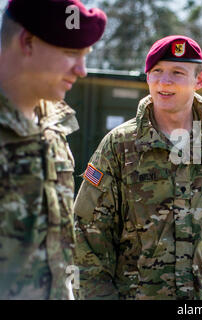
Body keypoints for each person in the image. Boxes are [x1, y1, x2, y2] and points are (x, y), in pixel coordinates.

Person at [73, 35, 202, 300]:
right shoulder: (120, 145)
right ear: (147, 77)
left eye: (178, 73)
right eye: (157, 71)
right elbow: (88, 234)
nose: (165, 81)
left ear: (199, 81)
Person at [0, 0, 106, 299]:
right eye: (72, 52)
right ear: (27, 42)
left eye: (86, 56)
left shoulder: (53, 126)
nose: (82, 70)